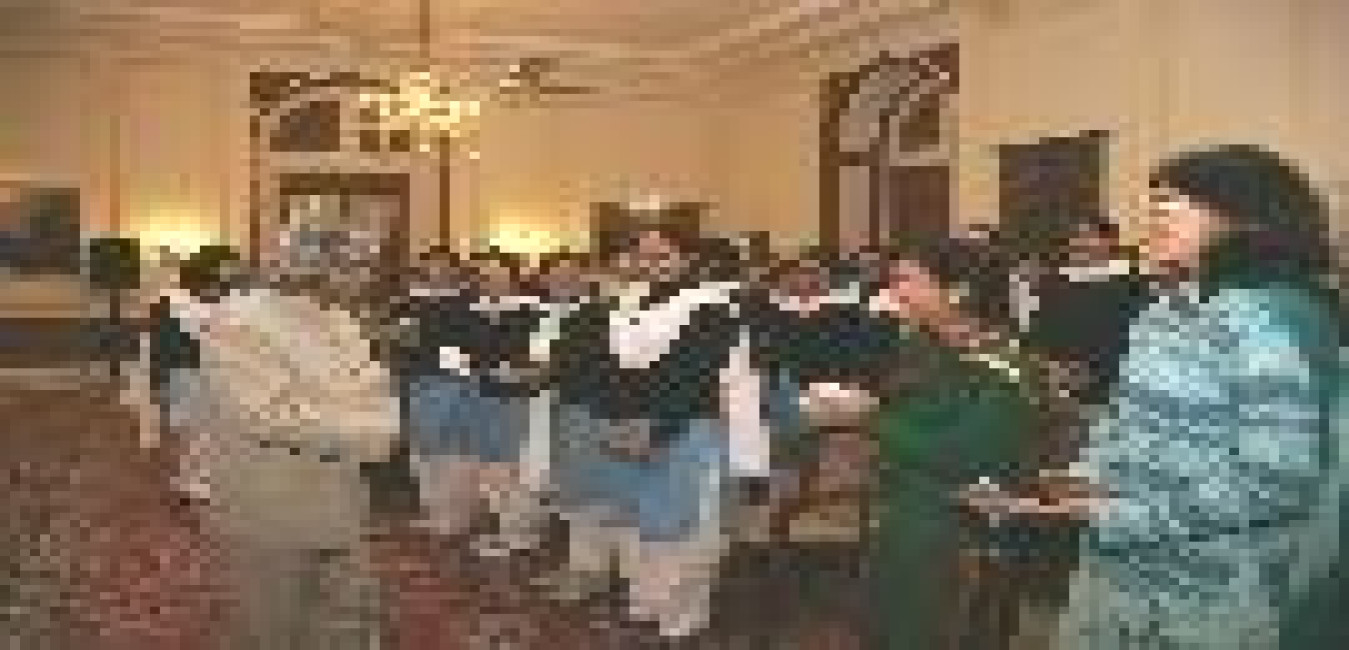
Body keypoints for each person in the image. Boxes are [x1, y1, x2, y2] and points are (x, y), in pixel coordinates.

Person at [1035, 145, 1342, 649]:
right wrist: (1085, 474)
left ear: (1245, 218)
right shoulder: (1163, 309)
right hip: (1118, 573)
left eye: (1172, 201)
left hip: (1208, 592)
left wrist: (1121, 516)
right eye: (1153, 201)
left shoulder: (1272, 319)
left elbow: (1275, 484)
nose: (1154, 214)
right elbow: (1123, 416)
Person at [170, 226, 398, 650]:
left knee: (347, 615)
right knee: (272, 625)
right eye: (358, 267)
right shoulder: (238, 320)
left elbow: (375, 387)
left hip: (342, 493)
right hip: (272, 498)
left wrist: (344, 409)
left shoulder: (341, 318)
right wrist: (368, 426)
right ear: (315, 268)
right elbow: (269, 414)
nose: (368, 277)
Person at [543, 226, 768, 639]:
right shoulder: (625, 306)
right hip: (630, 427)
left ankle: (680, 620)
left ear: (686, 259)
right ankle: (645, 604)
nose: (652, 265)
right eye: (643, 256)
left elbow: (695, 375)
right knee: (638, 523)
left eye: (662, 256)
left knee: (684, 532)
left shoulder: (711, 307)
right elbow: (609, 368)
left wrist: (654, 426)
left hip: (688, 428)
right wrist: (617, 416)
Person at [866, 241, 1051, 650]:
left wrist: (875, 423)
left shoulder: (1002, 362)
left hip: (970, 510)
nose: (895, 291)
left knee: (917, 546)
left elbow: (966, 455)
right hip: (916, 495)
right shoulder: (922, 343)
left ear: (957, 291)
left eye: (907, 280)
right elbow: (913, 419)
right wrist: (888, 425)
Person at [405, 249, 549, 556]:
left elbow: (539, 357)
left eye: (499, 276)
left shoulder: (533, 313)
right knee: (459, 464)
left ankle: (518, 533)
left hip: (512, 400)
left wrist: (510, 367)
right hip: (467, 396)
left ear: (514, 279)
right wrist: (485, 365)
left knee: (506, 471)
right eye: (484, 277)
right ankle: (455, 519)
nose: (492, 282)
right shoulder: (455, 310)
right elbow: (442, 352)